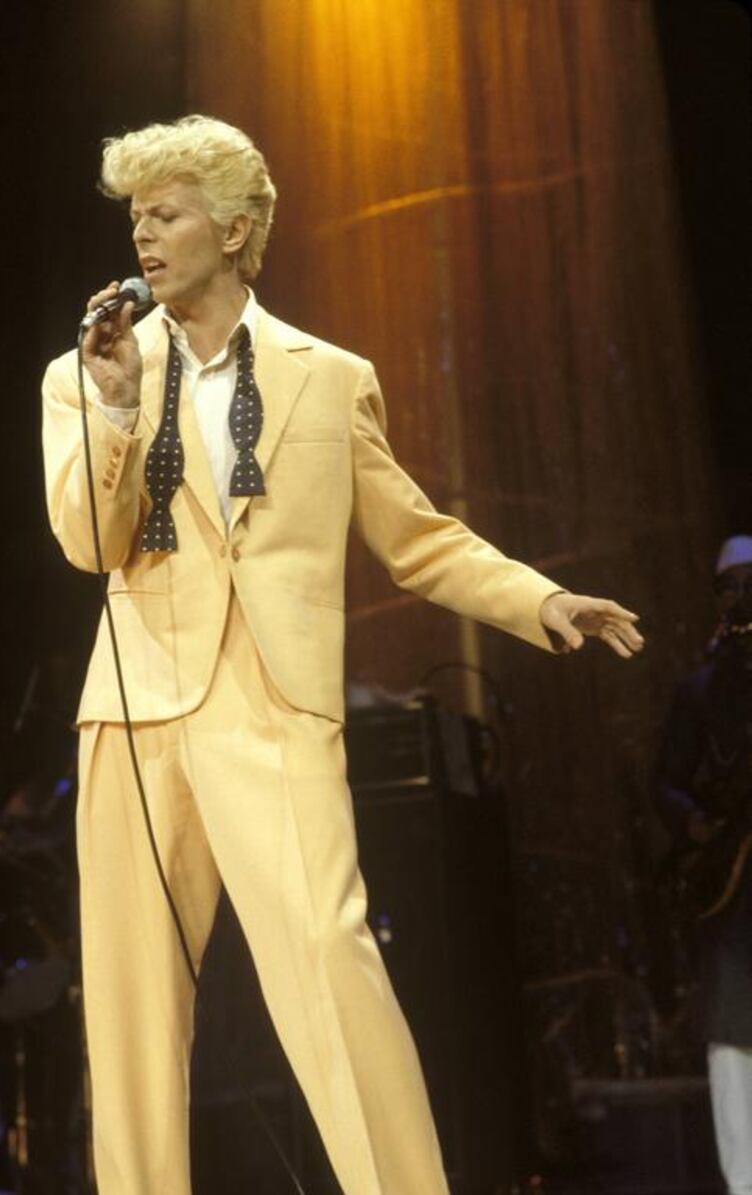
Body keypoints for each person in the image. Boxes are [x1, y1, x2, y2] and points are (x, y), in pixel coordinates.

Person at [41, 115, 644, 1195]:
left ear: (233, 229)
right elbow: (90, 541)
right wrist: (120, 403)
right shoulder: (85, 376)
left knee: (331, 960)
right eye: (134, 218)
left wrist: (538, 599)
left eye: (165, 214)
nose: (143, 237)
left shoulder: (329, 378)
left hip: (271, 707)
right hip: (132, 714)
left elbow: (418, 538)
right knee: (130, 1005)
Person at [656, 536, 752, 1195]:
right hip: (732, 883)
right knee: (729, 1028)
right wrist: (694, 821)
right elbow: (665, 781)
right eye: (733, 585)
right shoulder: (697, 691)